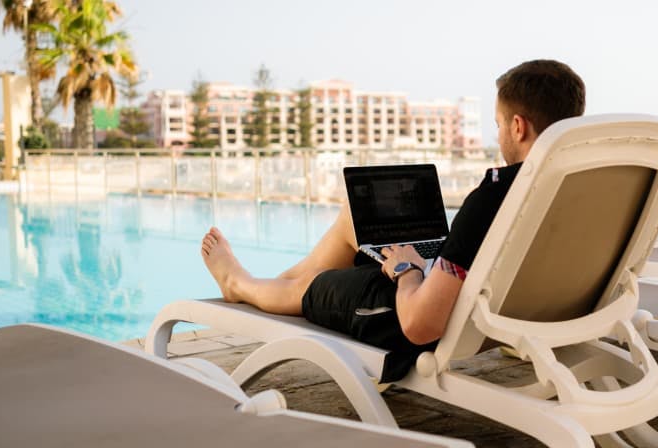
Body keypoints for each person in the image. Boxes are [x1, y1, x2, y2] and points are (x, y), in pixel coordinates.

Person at [201, 59, 586, 381]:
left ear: (518, 126)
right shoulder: (585, 190)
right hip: (510, 309)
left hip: (415, 318)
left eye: (499, 124)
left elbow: (421, 325)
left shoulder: (494, 196)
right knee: (355, 219)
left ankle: (242, 284)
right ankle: (279, 284)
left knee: (317, 286)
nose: (499, 134)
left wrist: (407, 270)